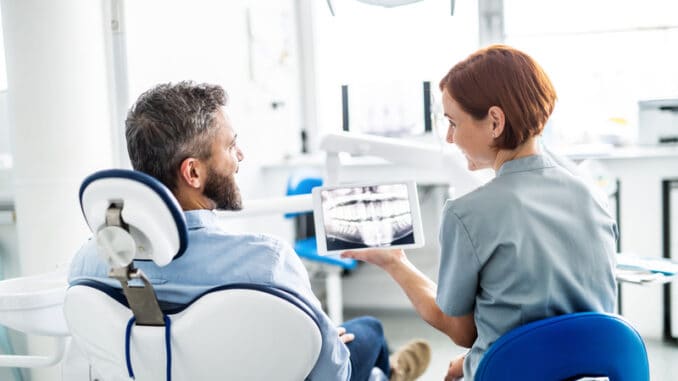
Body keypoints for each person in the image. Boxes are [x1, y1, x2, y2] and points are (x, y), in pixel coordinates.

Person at [69, 81, 431, 381]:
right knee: (370, 334)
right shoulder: (266, 262)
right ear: (192, 173)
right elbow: (330, 372)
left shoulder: (89, 263)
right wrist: (324, 342)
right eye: (229, 145)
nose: (240, 155)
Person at [342, 45, 617, 381]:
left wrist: (394, 261)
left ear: (495, 122)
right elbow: (563, 322)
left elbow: (462, 332)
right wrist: (473, 360)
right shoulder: (592, 194)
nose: (449, 136)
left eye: (453, 122)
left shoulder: (467, 213)